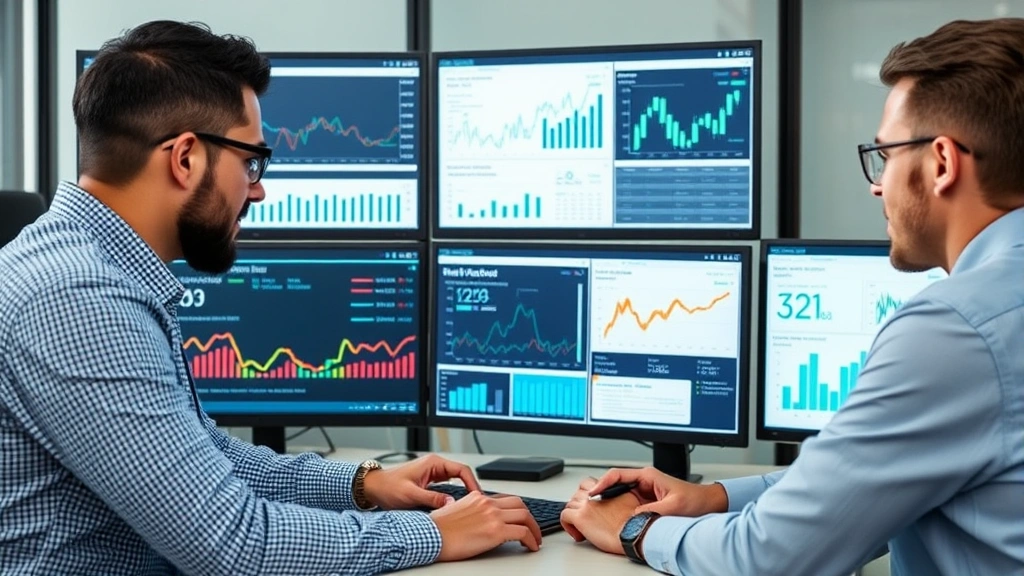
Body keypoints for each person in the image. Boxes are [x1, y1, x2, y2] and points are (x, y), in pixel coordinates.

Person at [0, 20, 541, 576]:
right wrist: (428, 533)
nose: (258, 188)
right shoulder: (77, 298)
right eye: (250, 162)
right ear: (185, 158)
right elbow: (229, 544)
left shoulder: (97, 269)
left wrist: (363, 483)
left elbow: (205, 457)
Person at [560, 17, 1024, 576]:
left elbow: (771, 559)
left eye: (886, 155)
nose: (878, 184)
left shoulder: (956, 329)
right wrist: (715, 498)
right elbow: (879, 479)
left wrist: (638, 529)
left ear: (942, 163)